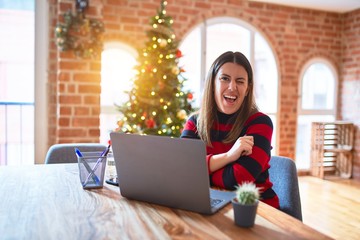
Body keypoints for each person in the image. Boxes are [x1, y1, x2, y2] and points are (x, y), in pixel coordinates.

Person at [181, 51, 279, 208]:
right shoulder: (195, 123)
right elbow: (183, 169)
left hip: (256, 209)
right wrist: (228, 156)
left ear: (247, 89)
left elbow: (237, 179)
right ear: (213, 83)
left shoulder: (260, 123)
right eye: (224, 79)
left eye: (240, 81)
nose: (232, 87)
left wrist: (200, 170)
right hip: (207, 202)